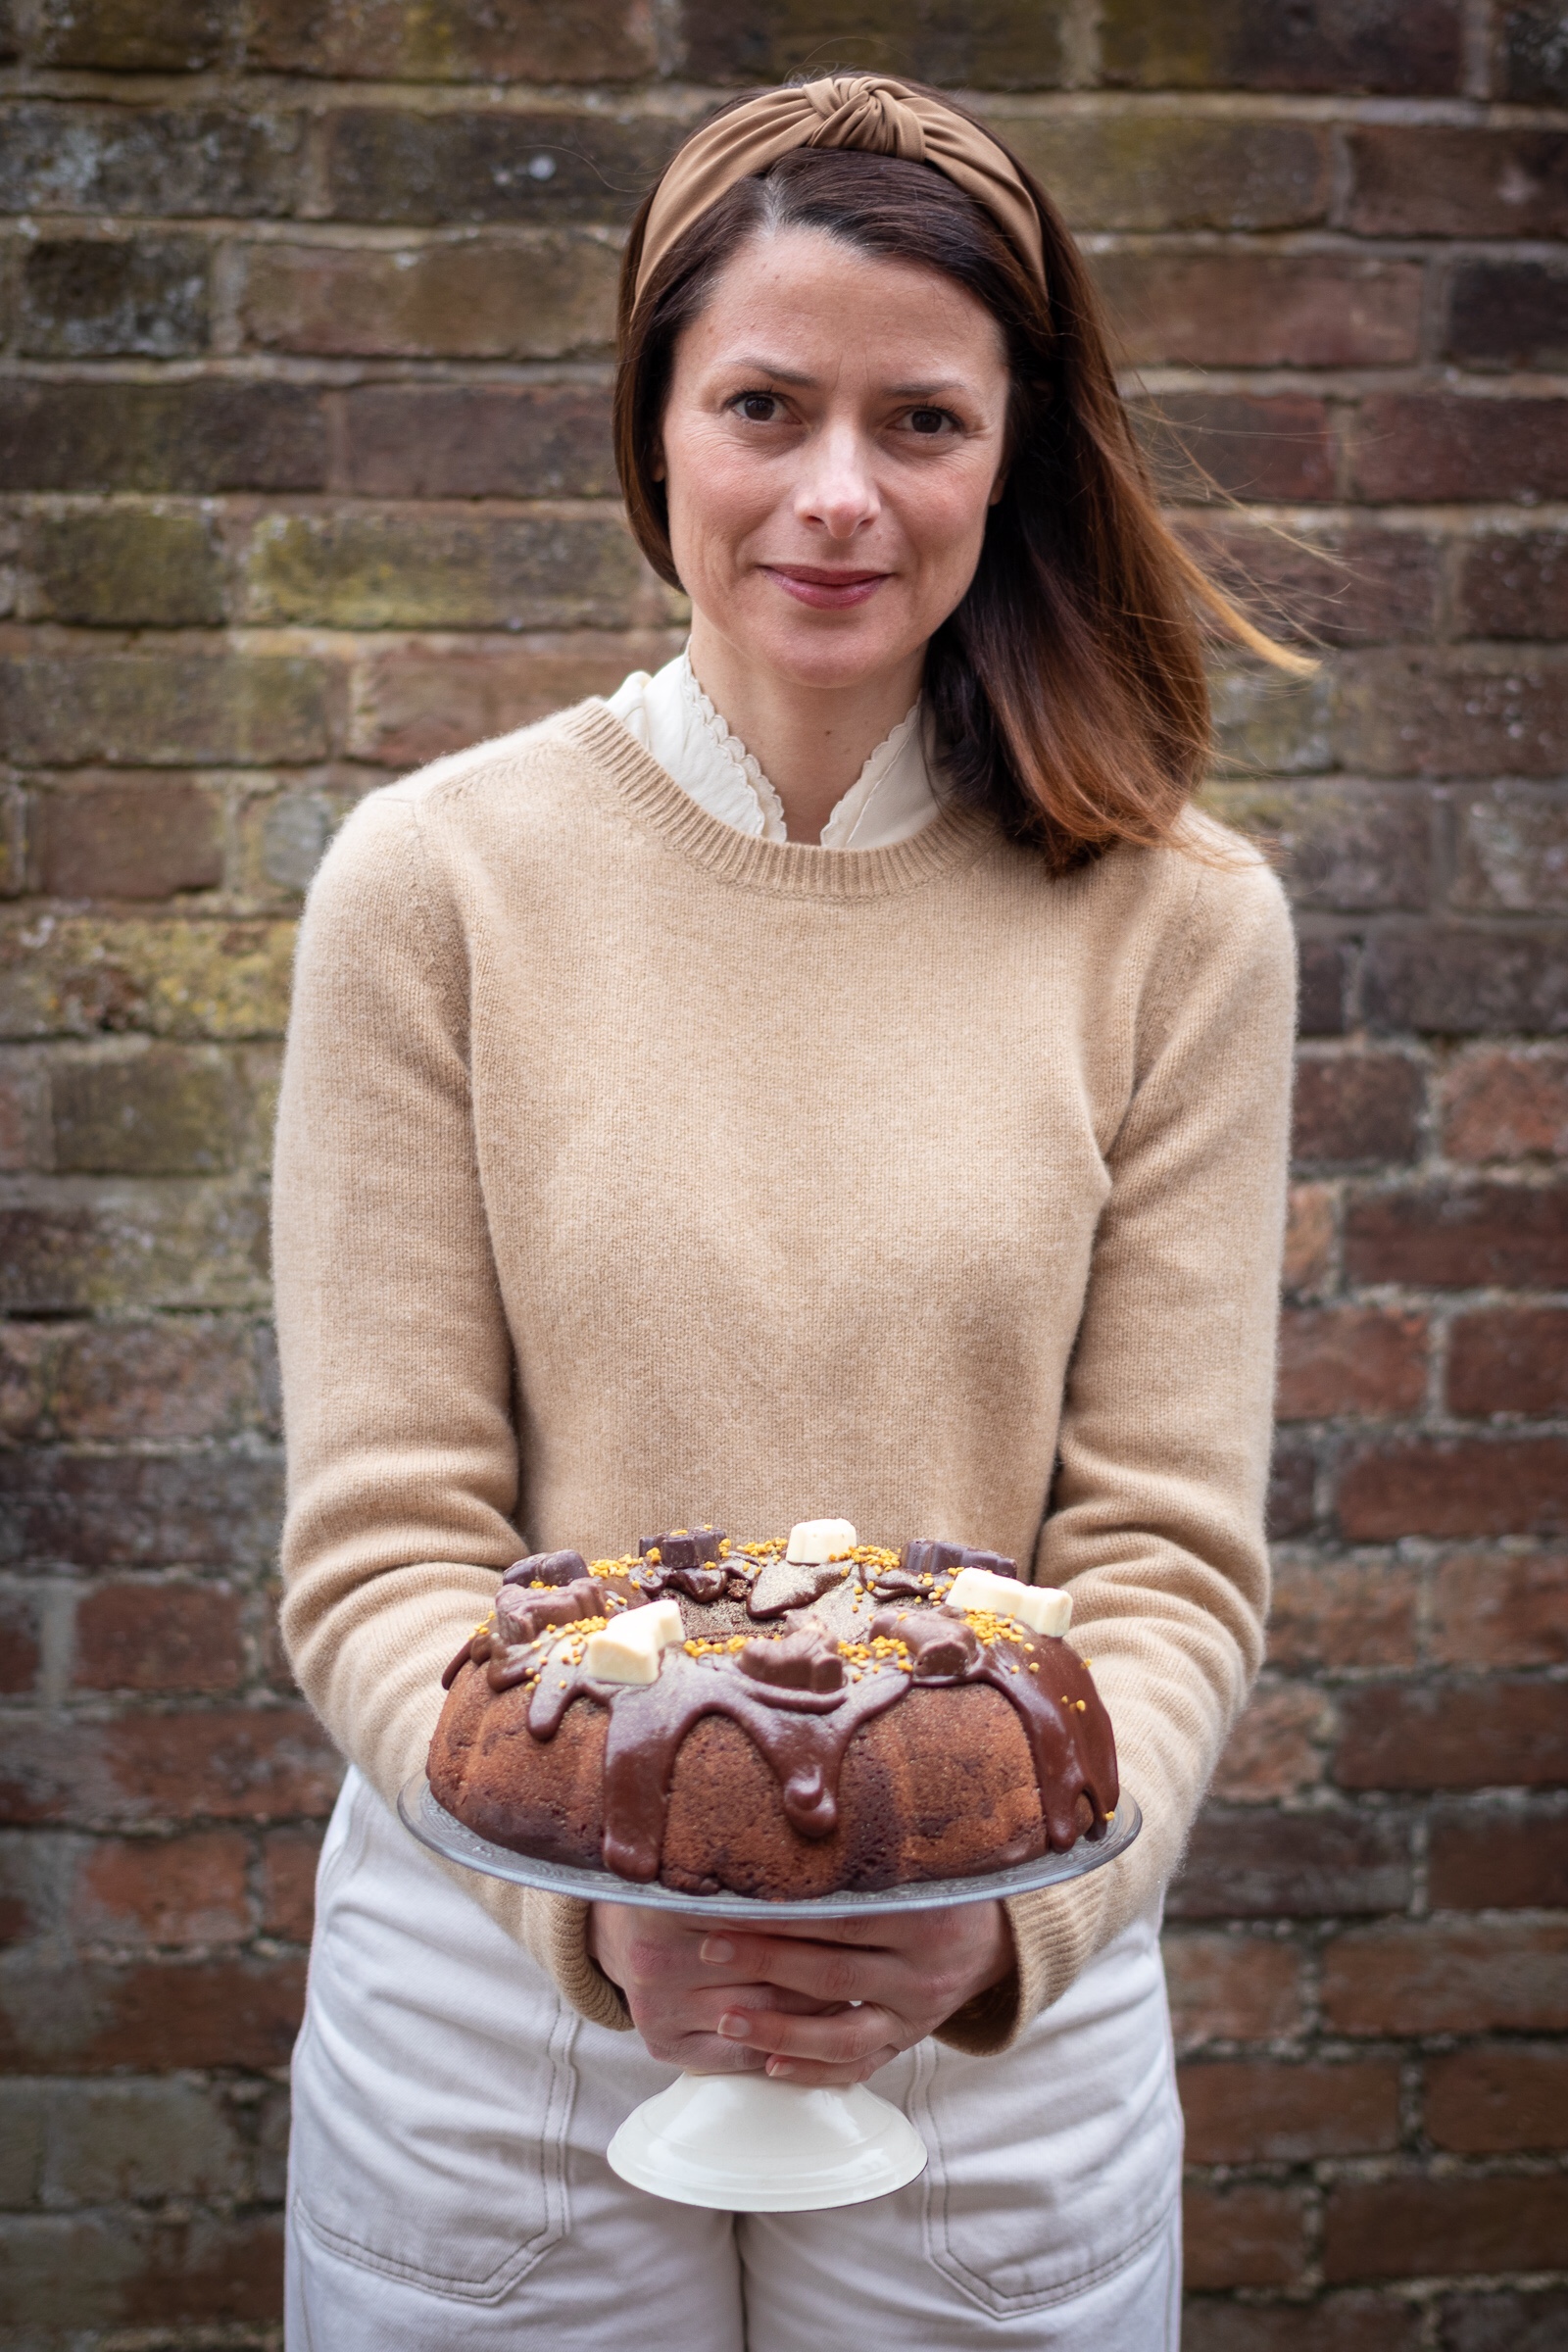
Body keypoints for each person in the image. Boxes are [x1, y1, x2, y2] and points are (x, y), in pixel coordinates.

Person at [273, 74, 1298, 2351]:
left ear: (1011, 449)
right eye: (763, 404)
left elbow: (1159, 1557)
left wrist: (1007, 1925)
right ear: (653, 432)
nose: (837, 494)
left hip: (985, 2037)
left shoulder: (1182, 927)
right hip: (502, 2019)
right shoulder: (432, 886)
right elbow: (380, 1539)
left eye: (920, 420)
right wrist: (601, 1912)